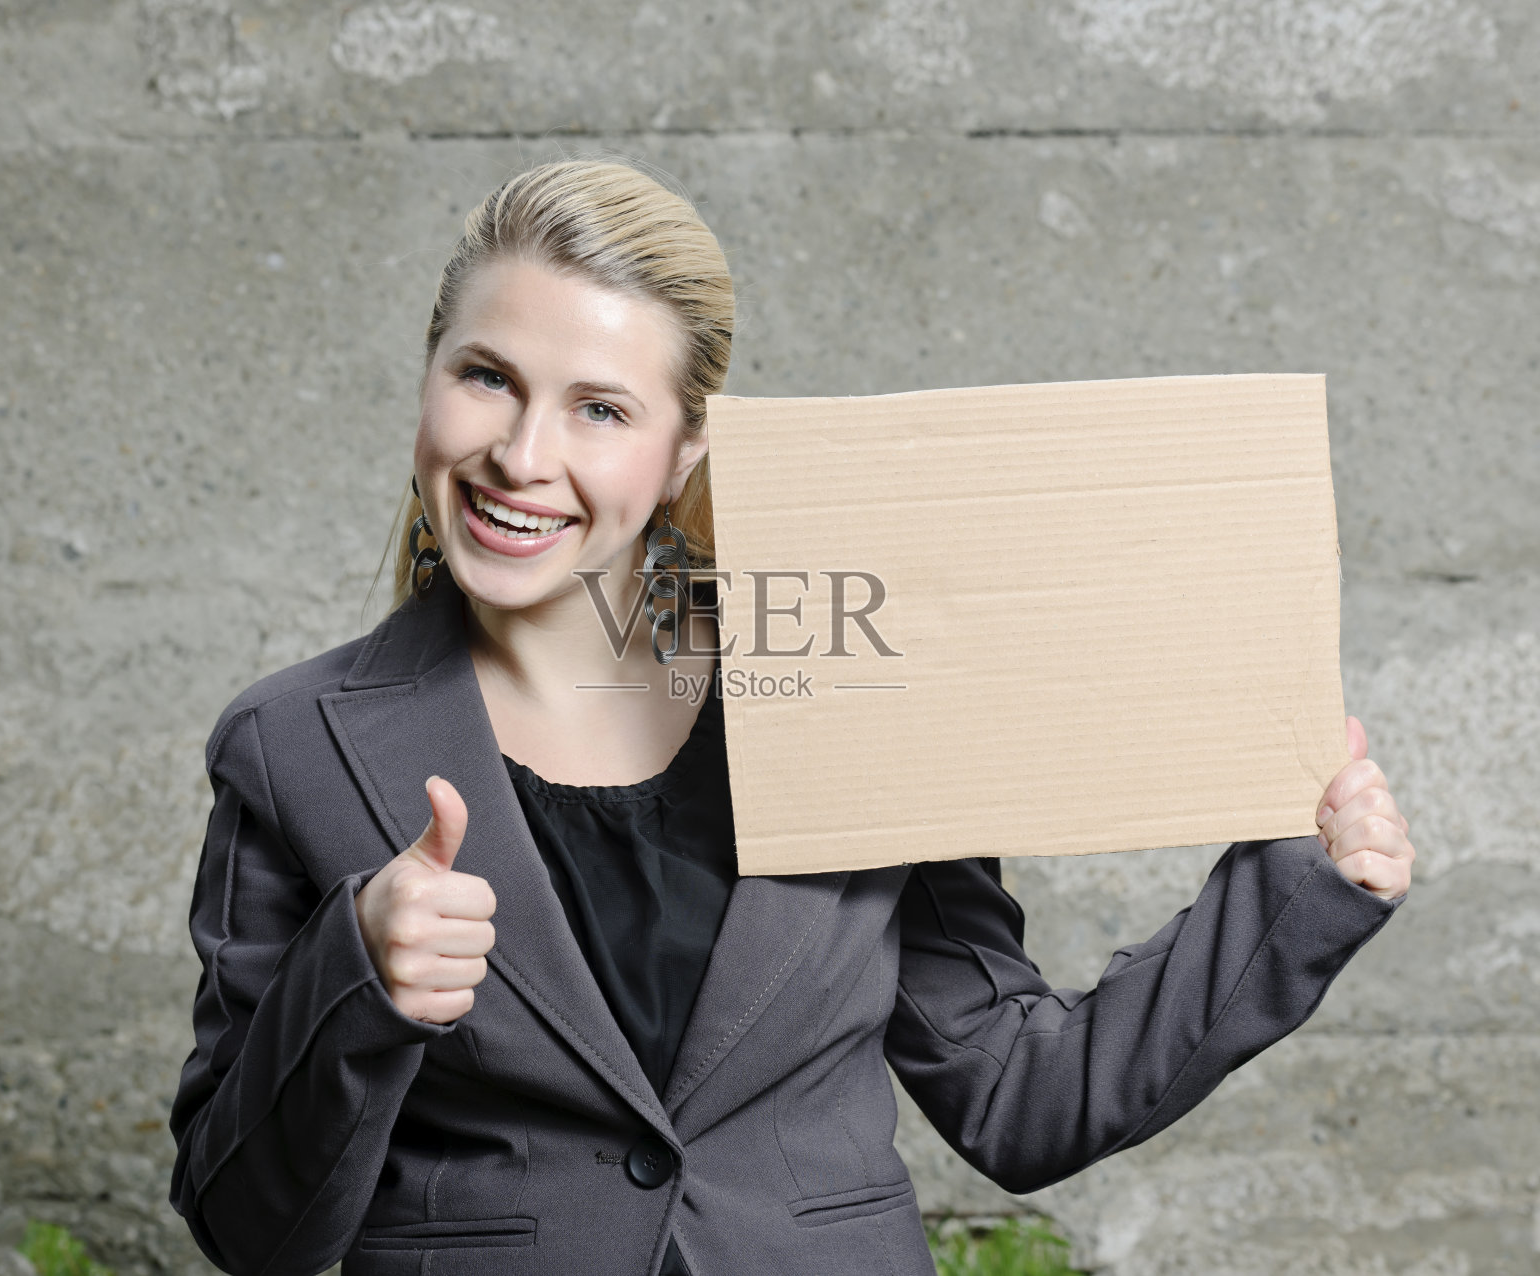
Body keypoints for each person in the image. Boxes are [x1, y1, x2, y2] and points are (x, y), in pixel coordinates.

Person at [168, 159, 1414, 1276]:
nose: (521, 453)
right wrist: (358, 978)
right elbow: (250, 1229)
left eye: (599, 409)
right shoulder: (292, 747)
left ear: (684, 452)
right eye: (487, 377)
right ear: (432, 375)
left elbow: (1023, 1099)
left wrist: (1296, 888)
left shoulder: (847, 688)